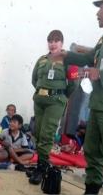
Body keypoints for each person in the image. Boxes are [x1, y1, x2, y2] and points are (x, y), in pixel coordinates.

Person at [51, 0, 103, 193]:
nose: (97, 14)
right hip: (97, 105)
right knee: (93, 155)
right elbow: (89, 56)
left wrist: (101, 74)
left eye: (101, 8)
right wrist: (67, 54)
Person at [29, 30, 73, 185]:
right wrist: (43, 91)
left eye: (56, 40)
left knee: (47, 134)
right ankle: (41, 164)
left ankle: (41, 168)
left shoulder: (68, 60)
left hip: (56, 101)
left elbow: (73, 84)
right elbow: (35, 79)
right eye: (50, 40)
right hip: (40, 100)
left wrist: (61, 96)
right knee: (39, 133)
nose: (52, 43)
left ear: (61, 43)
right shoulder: (42, 60)